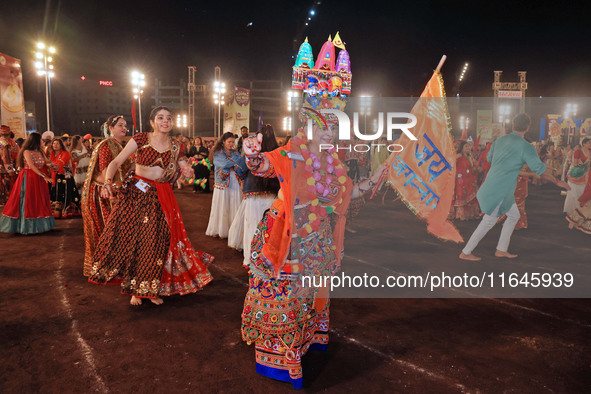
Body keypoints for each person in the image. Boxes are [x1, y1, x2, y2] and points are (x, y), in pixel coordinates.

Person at [240, 107, 386, 388]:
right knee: (286, 296)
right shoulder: (292, 152)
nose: (329, 133)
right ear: (309, 129)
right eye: (324, 127)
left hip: (316, 235)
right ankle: (281, 358)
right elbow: (264, 166)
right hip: (284, 233)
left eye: (333, 128)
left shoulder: (332, 162)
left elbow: (348, 192)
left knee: (310, 293)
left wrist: (374, 177)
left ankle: (307, 343)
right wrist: (252, 154)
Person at [88, 106, 213, 305]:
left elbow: (183, 166)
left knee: (157, 241)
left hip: (161, 196)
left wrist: (188, 170)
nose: (166, 121)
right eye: (160, 117)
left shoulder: (176, 145)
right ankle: (135, 290)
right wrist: (108, 182)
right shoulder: (140, 139)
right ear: (152, 122)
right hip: (135, 195)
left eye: (169, 118)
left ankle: (149, 287)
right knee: (135, 240)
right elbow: (116, 162)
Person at [460, 113, 570, 261]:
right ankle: (466, 252)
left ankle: (501, 249)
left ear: (512, 125)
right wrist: (558, 182)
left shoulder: (499, 141)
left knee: (514, 216)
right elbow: (540, 171)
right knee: (489, 221)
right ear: (528, 128)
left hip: (494, 188)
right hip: (500, 191)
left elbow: (489, 158)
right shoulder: (526, 147)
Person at [81, 115, 133, 277]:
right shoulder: (106, 145)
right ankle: (106, 266)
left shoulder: (118, 145)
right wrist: (117, 185)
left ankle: (115, 264)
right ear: (110, 128)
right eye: (120, 125)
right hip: (104, 194)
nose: (124, 128)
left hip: (113, 191)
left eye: (125, 125)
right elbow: (104, 175)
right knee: (110, 231)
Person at [228, 124, 280, 265]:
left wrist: (244, 178)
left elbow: (239, 167)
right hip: (274, 196)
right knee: (271, 228)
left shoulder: (252, 150)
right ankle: (269, 259)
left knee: (253, 227)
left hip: (253, 194)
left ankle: (251, 259)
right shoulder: (278, 152)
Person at [0, 132, 56, 233]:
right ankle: (25, 227)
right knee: (27, 201)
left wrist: (52, 165)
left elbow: (46, 161)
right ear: (35, 141)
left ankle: (39, 226)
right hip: (29, 177)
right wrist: (44, 176)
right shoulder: (26, 151)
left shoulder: (40, 151)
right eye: (40, 140)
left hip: (38, 178)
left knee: (39, 201)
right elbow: (31, 165)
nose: (42, 142)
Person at [205, 132, 247, 238]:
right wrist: (235, 162)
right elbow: (224, 164)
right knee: (223, 205)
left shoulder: (235, 152)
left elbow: (241, 162)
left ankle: (233, 230)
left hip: (234, 181)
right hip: (222, 182)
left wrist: (234, 162)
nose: (231, 144)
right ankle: (221, 229)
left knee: (234, 203)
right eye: (229, 141)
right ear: (223, 142)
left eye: (233, 142)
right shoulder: (217, 153)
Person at [48, 138, 81, 218]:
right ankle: (57, 210)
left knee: (67, 193)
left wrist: (49, 164)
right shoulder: (52, 154)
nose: (55, 145)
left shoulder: (66, 153)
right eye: (54, 143)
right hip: (56, 176)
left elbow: (59, 164)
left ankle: (66, 210)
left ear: (61, 145)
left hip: (66, 176)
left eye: (57, 144)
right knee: (56, 193)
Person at [450, 141, 480, 220]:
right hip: (460, 180)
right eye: (466, 147)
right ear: (462, 148)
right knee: (461, 195)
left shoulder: (470, 157)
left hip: (470, 180)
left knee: (471, 196)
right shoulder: (458, 156)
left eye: (469, 147)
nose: (468, 148)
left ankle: (471, 214)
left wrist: (475, 166)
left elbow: (472, 168)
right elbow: (450, 163)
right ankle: (461, 215)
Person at [563, 138, 591, 214]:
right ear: (584, 144)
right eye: (589, 143)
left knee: (584, 193)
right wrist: (580, 164)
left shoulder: (590, 152)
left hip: (587, 175)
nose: (590, 144)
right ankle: (572, 211)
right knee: (574, 193)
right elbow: (575, 163)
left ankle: (581, 212)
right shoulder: (577, 151)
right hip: (577, 175)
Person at [0, 125, 19, 205]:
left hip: (4, 169)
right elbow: (6, 158)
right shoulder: (11, 143)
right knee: (8, 186)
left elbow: (6, 157)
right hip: (8, 169)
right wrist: (11, 169)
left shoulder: (6, 143)